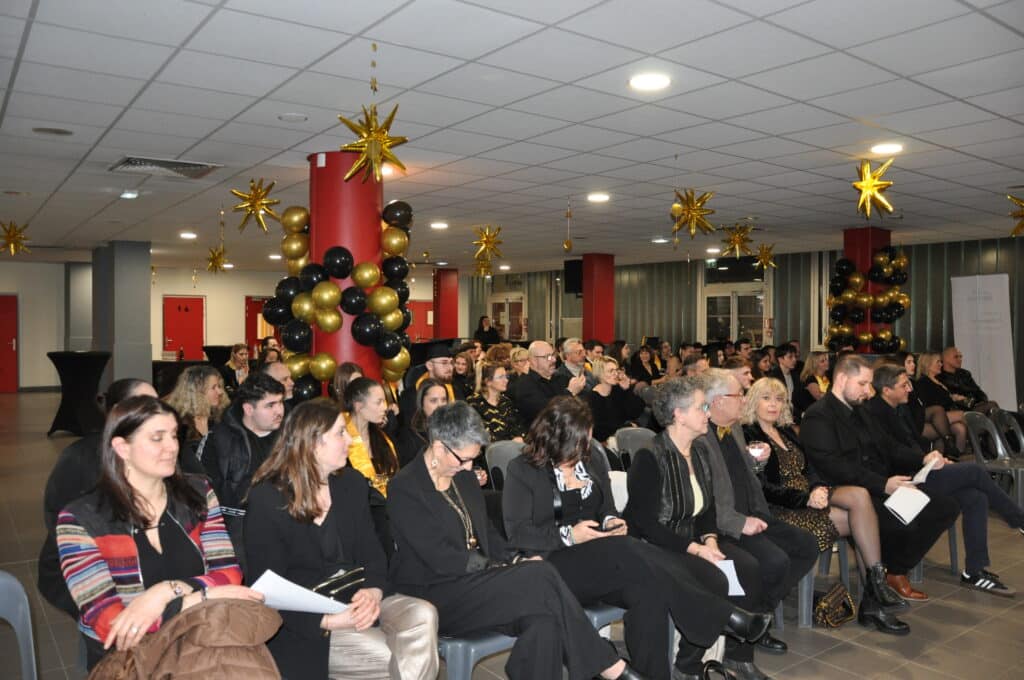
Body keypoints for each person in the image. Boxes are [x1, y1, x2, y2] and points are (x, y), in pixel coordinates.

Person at [504, 396, 770, 680]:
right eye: (579, 440)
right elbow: (518, 533)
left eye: (587, 438)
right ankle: (725, 615)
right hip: (551, 564)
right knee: (625, 548)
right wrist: (569, 535)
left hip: (602, 560)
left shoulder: (591, 459)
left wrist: (611, 520)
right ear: (554, 437)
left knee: (649, 589)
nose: (586, 446)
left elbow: (605, 506)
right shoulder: (523, 469)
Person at [387, 401, 649, 680]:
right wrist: (498, 568)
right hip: (433, 592)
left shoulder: (462, 478)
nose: (469, 467)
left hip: (474, 584)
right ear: (439, 448)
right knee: (539, 574)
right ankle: (610, 667)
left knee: (544, 620)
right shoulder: (405, 487)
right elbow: (440, 557)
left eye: (474, 459)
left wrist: (515, 560)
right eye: (463, 459)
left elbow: (488, 533)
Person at [57, 396, 264, 669]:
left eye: (174, 435)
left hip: (201, 650)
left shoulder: (199, 494)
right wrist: (202, 597)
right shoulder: (81, 519)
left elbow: (229, 574)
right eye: (157, 438)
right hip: (130, 664)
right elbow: (113, 625)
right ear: (122, 447)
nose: (172, 447)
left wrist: (164, 593)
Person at [245, 398, 439, 680]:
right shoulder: (268, 499)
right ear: (312, 443)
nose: (350, 440)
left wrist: (373, 590)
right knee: (394, 656)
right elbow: (266, 588)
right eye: (340, 433)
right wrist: (328, 620)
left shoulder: (351, 483)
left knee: (424, 613)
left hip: (359, 598)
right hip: (309, 621)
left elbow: (373, 552)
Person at [624, 377, 780, 680]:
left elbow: (707, 507)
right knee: (714, 577)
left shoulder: (699, 451)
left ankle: (730, 655)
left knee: (746, 566)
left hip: (692, 537)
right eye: (701, 407)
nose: (708, 413)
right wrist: (696, 549)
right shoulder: (650, 456)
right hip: (656, 543)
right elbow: (644, 523)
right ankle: (692, 660)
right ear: (679, 414)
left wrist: (710, 541)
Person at [741, 377, 909, 634]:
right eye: (766, 398)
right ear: (753, 401)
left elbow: (810, 469)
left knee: (860, 496)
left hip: (809, 497)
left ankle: (876, 587)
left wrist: (816, 488)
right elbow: (760, 488)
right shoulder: (747, 434)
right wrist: (804, 498)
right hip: (782, 508)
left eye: (778, 399)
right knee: (861, 520)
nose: (773, 405)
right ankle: (874, 601)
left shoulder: (786, 431)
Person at [799, 354, 961, 602]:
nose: (868, 391)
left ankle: (894, 570)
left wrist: (923, 459)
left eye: (869, 384)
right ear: (842, 379)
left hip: (877, 485)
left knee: (944, 507)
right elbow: (833, 467)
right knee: (905, 522)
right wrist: (883, 484)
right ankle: (882, 578)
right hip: (847, 493)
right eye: (862, 384)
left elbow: (888, 446)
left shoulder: (861, 410)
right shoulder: (818, 415)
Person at [692, 370, 819, 673]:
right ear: (719, 401)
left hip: (754, 512)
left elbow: (741, 474)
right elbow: (704, 499)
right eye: (740, 395)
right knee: (773, 561)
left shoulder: (733, 427)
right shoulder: (699, 436)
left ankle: (756, 617)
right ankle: (741, 644)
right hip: (724, 523)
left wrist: (755, 463)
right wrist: (739, 523)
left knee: (805, 545)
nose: (744, 400)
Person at [867, 363, 1024, 596]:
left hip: (919, 470)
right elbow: (891, 453)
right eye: (903, 385)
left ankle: (974, 571)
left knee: (975, 496)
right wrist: (924, 459)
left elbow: (915, 442)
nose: (910, 389)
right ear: (886, 390)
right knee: (975, 472)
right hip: (901, 480)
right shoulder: (874, 413)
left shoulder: (899, 408)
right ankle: (1018, 519)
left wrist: (936, 458)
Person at [40, 379, 159, 619]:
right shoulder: (81, 458)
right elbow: (58, 518)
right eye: (144, 404)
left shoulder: (165, 451)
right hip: (92, 566)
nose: (156, 411)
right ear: (118, 411)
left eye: (156, 403)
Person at [199, 371, 285, 566]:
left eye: (280, 403)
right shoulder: (218, 440)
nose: (279, 411)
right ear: (248, 409)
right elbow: (203, 491)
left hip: (285, 526)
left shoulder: (292, 438)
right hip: (236, 530)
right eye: (270, 405)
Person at [344, 377, 401, 554]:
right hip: (358, 518)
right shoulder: (340, 441)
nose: (385, 407)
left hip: (389, 512)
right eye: (378, 402)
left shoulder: (382, 438)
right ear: (358, 405)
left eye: (384, 401)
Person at [165, 365, 229, 471]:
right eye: (213, 387)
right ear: (197, 392)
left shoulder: (220, 418)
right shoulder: (181, 425)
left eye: (219, 386)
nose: (220, 392)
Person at [509, 340, 586, 425]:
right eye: (547, 357)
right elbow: (546, 412)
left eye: (553, 355)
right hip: (543, 435)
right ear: (533, 360)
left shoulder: (561, 378)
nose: (553, 360)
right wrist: (570, 392)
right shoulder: (525, 385)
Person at [914, 352, 969, 454]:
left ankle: (957, 457)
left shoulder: (937, 381)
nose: (941, 364)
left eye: (941, 362)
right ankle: (980, 439)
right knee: (963, 415)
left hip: (944, 414)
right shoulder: (923, 382)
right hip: (935, 417)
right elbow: (928, 403)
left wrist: (953, 398)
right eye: (938, 362)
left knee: (960, 428)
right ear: (928, 364)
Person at [585, 356, 645, 444]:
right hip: (604, 442)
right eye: (610, 371)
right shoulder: (592, 398)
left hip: (622, 437)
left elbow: (635, 412)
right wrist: (625, 426)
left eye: (616, 370)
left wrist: (627, 389)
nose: (615, 373)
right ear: (600, 374)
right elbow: (599, 430)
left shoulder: (617, 390)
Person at [394, 378, 448, 468]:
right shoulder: (409, 436)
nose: (440, 406)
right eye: (433, 401)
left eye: (443, 400)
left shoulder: (453, 430)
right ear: (421, 404)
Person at [467, 361, 526, 442]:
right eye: (500, 377)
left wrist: (518, 437)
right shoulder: (474, 403)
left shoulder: (506, 402)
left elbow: (517, 426)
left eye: (506, 376)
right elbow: (478, 434)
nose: (506, 380)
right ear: (488, 381)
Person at [939, 346, 999, 414]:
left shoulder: (965, 373)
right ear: (946, 359)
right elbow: (949, 399)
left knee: (996, 409)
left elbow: (978, 391)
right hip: (959, 410)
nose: (960, 359)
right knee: (992, 406)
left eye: (960, 356)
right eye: (956, 357)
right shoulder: (940, 377)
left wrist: (979, 401)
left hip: (974, 406)